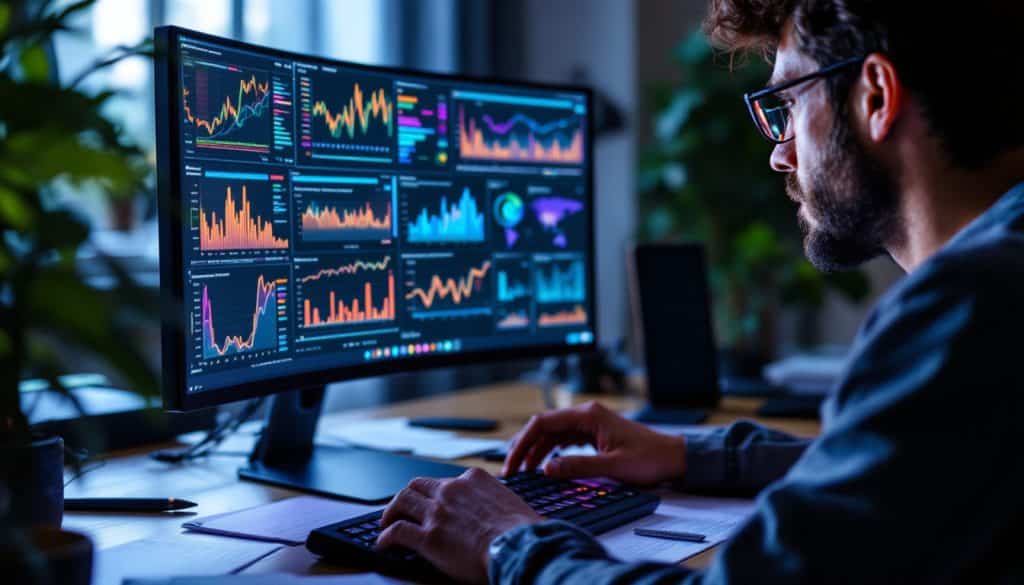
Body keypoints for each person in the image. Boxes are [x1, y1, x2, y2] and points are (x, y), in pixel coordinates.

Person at [376, 1, 1024, 583]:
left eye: (790, 104)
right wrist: (689, 453)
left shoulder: (969, 306)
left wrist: (505, 544)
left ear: (876, 96)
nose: (779, 154)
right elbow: (908, 465)